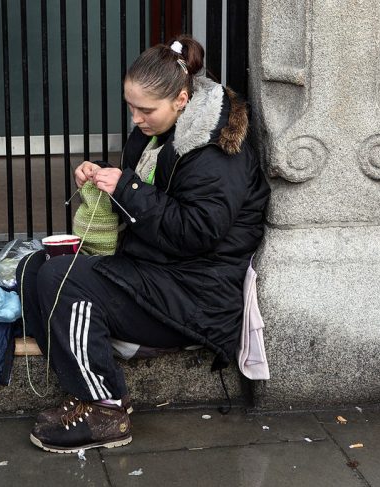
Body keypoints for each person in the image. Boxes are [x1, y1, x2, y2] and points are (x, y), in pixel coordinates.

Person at [17, 35, 270, 453]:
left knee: (64, 278)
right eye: (131, 106)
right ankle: (82, 388)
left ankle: (106, 408)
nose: (136, 118)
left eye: (145, 110)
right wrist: (103, 180)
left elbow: (198, 232)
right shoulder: (160, 130)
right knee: (35, 267)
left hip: (196, 296)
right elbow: (147, 196)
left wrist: (128, 187)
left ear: (182, 99)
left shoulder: (214, 154)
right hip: (156, 272)